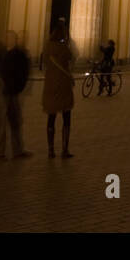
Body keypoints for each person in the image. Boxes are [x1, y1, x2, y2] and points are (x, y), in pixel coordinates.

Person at [0, 30, 32, 161]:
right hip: (4, 93)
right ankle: (0, 153)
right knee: (3, 124)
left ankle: (18, 150)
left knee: (15, 123)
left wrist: (19, 87)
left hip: (12, 92)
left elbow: (23, 72)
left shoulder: (18, 53)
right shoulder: (2, 54)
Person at [42, 21, 75, 158]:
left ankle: (50, 150)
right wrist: (68, 42)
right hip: (63, 85)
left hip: (50, 85)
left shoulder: (47, 47)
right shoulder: (63, 48)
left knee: (51, 116)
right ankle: (64, 149)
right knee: (66, 116)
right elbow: (72, 57)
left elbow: (44, 62)